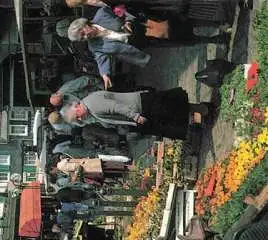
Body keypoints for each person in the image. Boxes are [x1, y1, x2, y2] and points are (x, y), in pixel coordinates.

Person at [63, 88, 208, 140]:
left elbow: (116, 107)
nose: (82, 118)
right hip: (139, 105)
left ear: (77, 108)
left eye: (79, 116)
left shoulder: (93, 104)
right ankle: (201, 112)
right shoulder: (90, 105)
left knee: (174, 110)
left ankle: (202, 111)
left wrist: (135, 116)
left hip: (140, 107)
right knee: (174, 110)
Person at [67, 6, 151, 89]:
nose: (85, 37)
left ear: (84, 25)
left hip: (140, 26)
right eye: (82, 39)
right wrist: (104, 75)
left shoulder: (102, 13)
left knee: (162, 31)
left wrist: (128, 21)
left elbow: (122, 9)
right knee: (157, 42)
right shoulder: (93, 46)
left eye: (83, 34)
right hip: (133, 46)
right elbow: (101, 59)